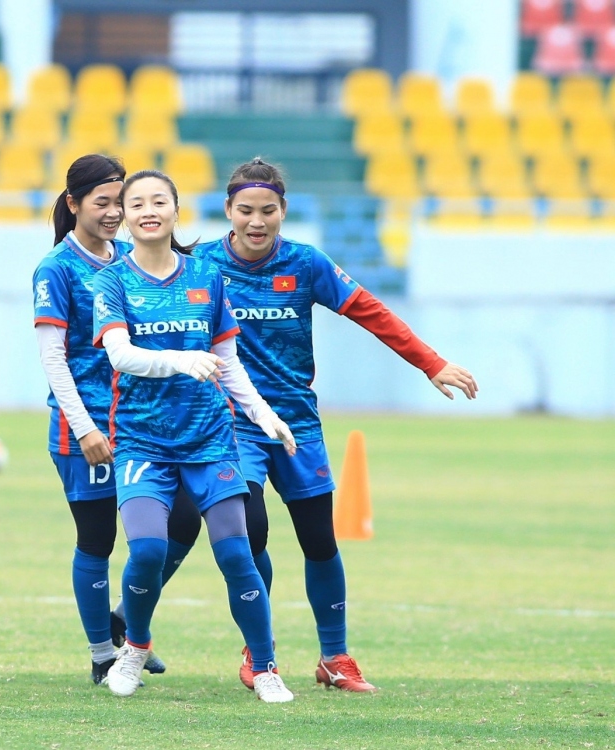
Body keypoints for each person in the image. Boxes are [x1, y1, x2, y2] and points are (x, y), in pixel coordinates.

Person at [195, 157, 479, 693]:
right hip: (232, 422)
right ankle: (259, 652)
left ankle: (334, 658)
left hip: (296, 422)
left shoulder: (305, 263)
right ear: (228, 209)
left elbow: (371, 311)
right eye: (246, 210)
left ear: (283, 211)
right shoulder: (199, 264)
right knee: (249, 529)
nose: (257, 221)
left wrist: (431, 363)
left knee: (319, 540)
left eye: (268, 210)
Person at [91, 170, 298, 702]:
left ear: (176, 210)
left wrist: (264, 415)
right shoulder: (112, 282)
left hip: (210, 439)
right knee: (147, 552)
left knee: (237, 555)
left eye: (159, 201)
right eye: (137, 203)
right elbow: (121, 355)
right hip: (142, 441)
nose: (148, 210)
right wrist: (181, 360)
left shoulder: (206, 276)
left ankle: (266, 667)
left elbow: (227, 360)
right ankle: (135, 646)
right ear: (124, 216)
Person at [33, 154, 203, 684]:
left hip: (142, 424)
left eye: (118, 202)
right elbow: (53, 358)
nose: (113, 213)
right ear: (74, 204)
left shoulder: (132, 258)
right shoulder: (57, 268)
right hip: (86, 428)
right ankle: (101, 654)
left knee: (183, 519)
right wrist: (83, 427)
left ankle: (126, 623)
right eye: (101, 202)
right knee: (98, 538)